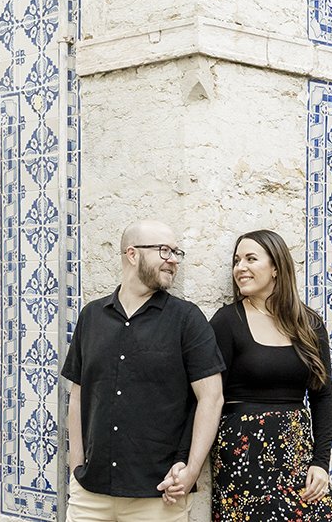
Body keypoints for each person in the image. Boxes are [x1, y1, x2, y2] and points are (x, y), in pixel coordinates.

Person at [61, 219, 225, 520]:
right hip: (90, 494)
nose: (173, 260)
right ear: (132, 254)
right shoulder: (92, 316)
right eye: (164, 250)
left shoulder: (186, 319)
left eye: (176, 252)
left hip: (158, 496)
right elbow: (77, 394)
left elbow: (211, 398)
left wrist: (190, 472)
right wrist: (77, 465)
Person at [209, 230, 332, 521]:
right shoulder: (226, 321)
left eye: (251, 259)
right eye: (236, 260)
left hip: (297, 453)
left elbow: (323, 397)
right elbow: (208, 398)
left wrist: (321, 463)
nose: (240, 267)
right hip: (243, 457)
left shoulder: (309, 324)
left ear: (276, 268)